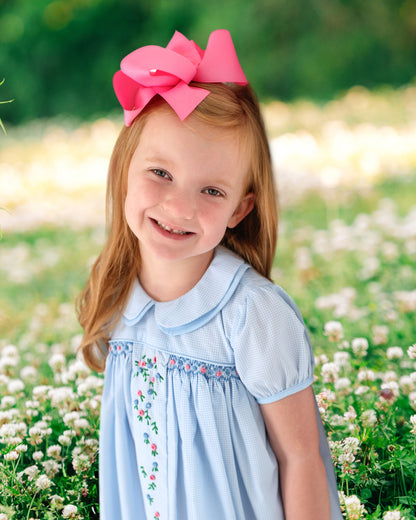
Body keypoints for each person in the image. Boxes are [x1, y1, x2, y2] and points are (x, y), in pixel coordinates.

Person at [77, 29, 342, 519]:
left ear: (240, 209)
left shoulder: (251, 314)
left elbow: (300, 456)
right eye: (161, 173)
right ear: (123, 169)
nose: (180, 206)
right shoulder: (117, 292)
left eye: (212, 192)